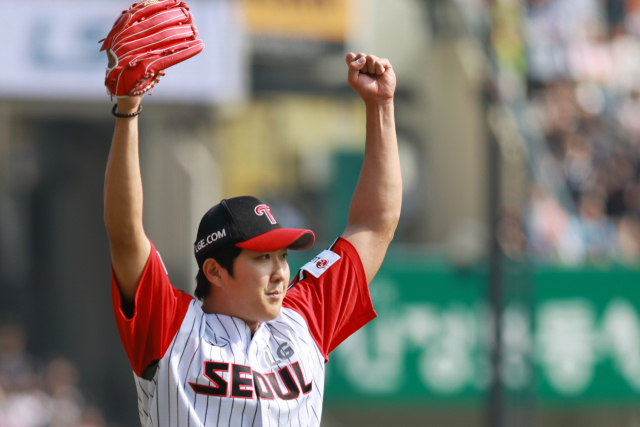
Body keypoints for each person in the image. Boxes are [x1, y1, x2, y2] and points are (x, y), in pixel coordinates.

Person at [104, 52, 401, 426]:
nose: (280, 272)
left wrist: (381, 106)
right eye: (262, 258)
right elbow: (125, 233)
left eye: (282, 255)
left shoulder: (302, 319)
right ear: (214, 270)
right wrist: (128, 112)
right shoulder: (171, 327)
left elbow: (374, 225)